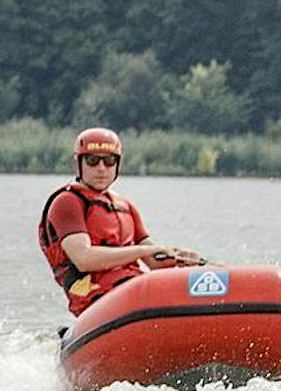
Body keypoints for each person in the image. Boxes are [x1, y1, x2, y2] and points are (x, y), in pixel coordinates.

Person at [38, 126, 202, 315]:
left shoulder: (126, 206)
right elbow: (83, 259)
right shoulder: (67, 202)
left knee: (183, 283)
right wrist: (142, 251)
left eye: (109, 161)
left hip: (131, 285)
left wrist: (179, 258)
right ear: (78, 163)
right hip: (94, 298)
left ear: (117, 164)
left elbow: (153, 261)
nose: (101, 168)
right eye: (92, 160)